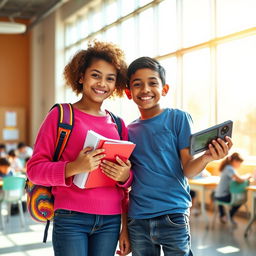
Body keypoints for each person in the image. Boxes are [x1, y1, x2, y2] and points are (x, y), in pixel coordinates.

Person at [27, 41, 132, 256]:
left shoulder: (119, 124)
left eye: (110, 78)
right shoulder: (61, 116)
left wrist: (125, 176)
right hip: (71, 217)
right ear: (81, 76)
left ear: (116, 84)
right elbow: (34, 170)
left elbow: (125, 185)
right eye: (95, 75)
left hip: (111, 220)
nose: (102, 83)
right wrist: (73, 167)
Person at [124, 57, 232, 256]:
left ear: (164, 89)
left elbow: (188, 169)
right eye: (137, 84)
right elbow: (125, 179)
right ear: (128, 93)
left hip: (173, 214)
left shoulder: (178, 118)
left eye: (153, 83)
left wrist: (208, 156)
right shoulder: (127, 131)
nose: (145, 89)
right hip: (137, 218)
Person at [214, 152, 251, 225]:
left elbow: (236, 179)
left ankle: (224, 216)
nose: (240, 165)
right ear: (234, 161)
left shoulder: (227, 168)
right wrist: (247, 176)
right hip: (222, 196)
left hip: (219, 195)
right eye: (239, 163)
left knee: (237, 198)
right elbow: (239, 180)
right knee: (240, 200)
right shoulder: (229, 168)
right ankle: (228, 216)